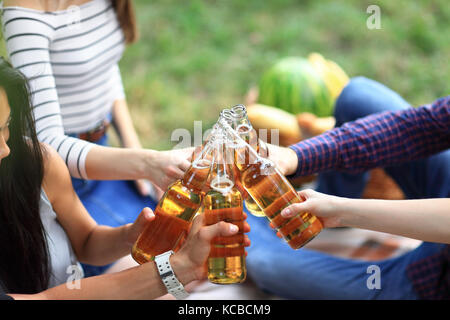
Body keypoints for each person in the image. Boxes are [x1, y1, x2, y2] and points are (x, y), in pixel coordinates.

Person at [0, 58, 250, 300]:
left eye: (5, 126)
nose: (5, 148)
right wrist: (179, 268)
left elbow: (86, 242)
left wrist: (131, 236)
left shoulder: (36, 163)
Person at [0, 0, 192, 276]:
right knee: (162, 266)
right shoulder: (25, 10)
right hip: (64, 178)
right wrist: (148, 163)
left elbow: (105, 69)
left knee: (182, 237)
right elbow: (47, 143)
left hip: (104, 155)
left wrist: (135, 151)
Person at [245, 76, 450, 299]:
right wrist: (295, 156)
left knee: (265, 264)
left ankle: (237, 217)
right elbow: (420, 127)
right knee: (358, 95)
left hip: (436, 281)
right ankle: (330, 209)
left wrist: (342, 211)